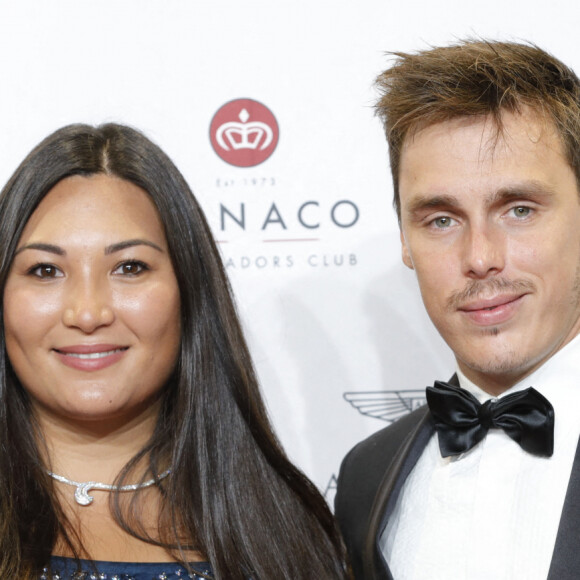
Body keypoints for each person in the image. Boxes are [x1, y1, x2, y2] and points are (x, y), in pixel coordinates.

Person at [0, 123, 349, 579]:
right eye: (45, 270)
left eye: (129, 267)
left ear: (189, 290)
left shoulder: (281, 527)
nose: (87, 313)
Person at [335, 39, 580, 580]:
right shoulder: (365, 477)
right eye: (441, 220)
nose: (480, 258)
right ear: (404, 236)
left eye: (518, 210)